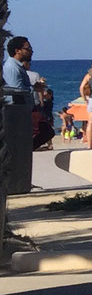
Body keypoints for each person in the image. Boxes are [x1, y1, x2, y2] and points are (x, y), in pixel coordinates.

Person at [2, 37, 32, 194]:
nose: (31, 51)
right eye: (28, 48)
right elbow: (16, 93)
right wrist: (32, 91)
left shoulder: (18, 67)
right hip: (16, 115)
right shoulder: (12, 68)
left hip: (21, 114)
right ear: (17, 50)